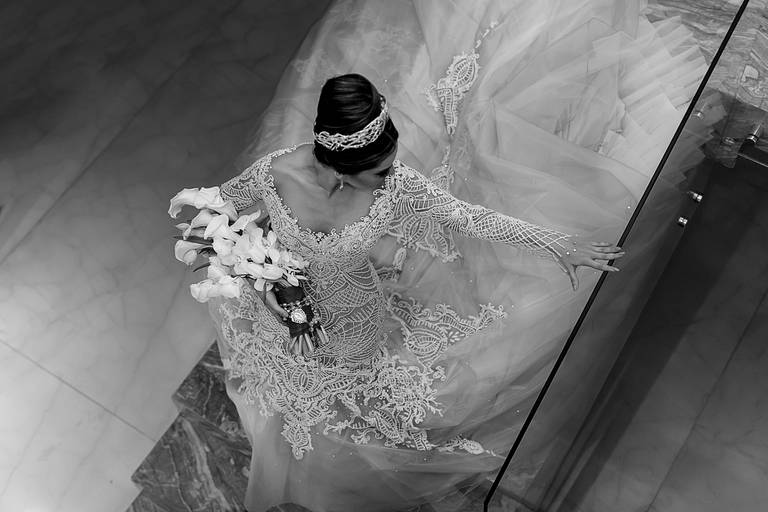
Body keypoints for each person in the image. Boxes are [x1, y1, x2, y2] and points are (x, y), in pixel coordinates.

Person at [203, 1, 708, 510]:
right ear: (339, 167)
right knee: (289, 420)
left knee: (338, 434)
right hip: (294, 322)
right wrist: (278, 292)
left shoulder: (395, 183)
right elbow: (214, 227)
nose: (391, 177)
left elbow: (470, 218)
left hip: (360, 322)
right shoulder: (274, 177)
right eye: (378, 171)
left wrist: (557, 244)